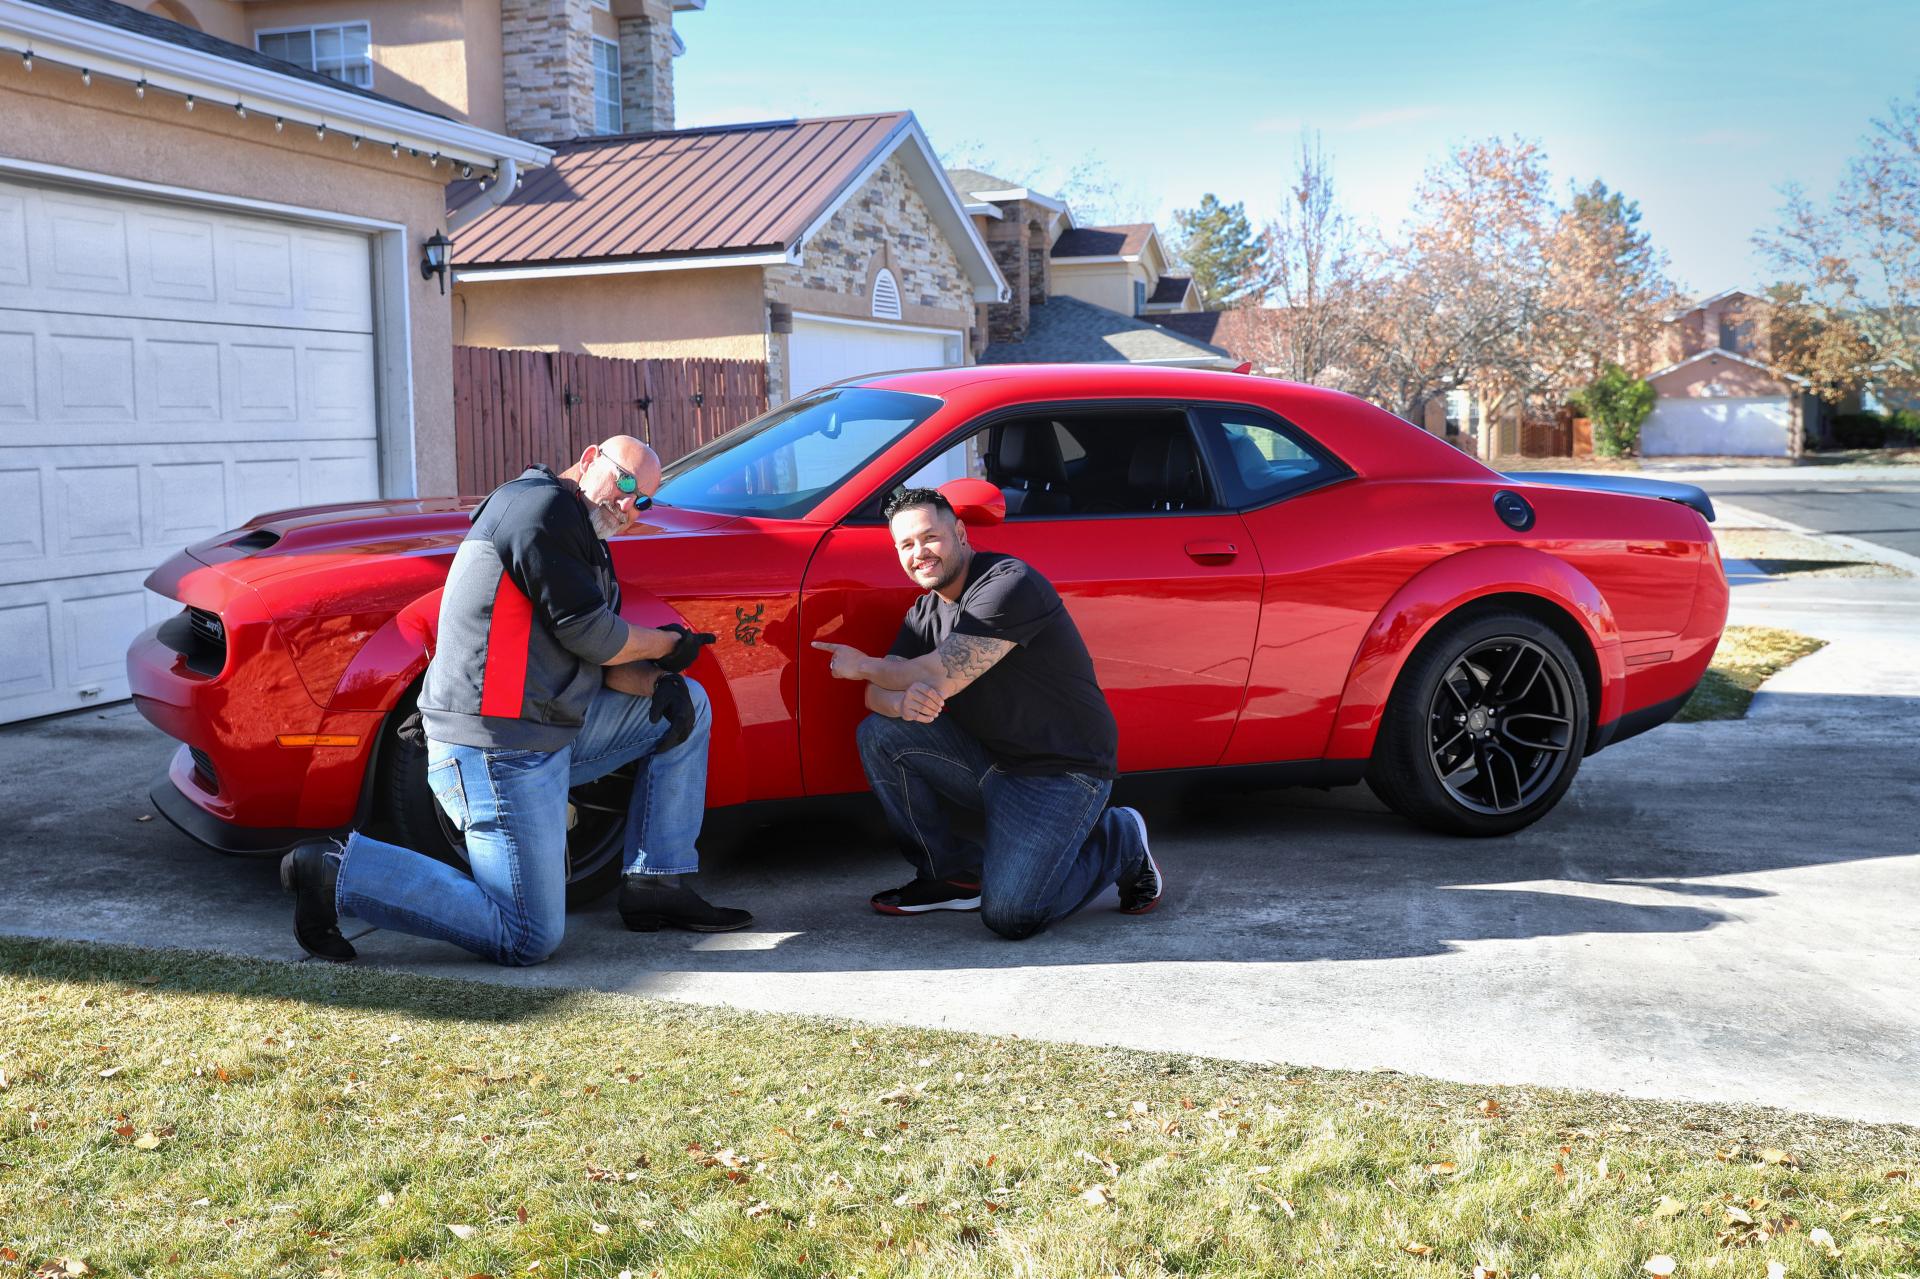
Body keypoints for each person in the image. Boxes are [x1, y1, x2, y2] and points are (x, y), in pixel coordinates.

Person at [280, 436, 752, 965]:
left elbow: (596, 661)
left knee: (685, 702)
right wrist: (669, 644)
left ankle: (656, 885)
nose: (625, 507)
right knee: (527, 935)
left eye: (640, 501)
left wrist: (657, 682)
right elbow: (592, 634)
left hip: (543, 732)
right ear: (590, 457)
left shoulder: (582, 537)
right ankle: (334, 869)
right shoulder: (539, 506)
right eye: (623, 483)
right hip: (493, 749)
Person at [811, 486, 1161, 939]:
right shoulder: (925, 611)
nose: (920, 553)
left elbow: (941, 674)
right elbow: (875, 697)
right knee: (881, 733)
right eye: (906, 545)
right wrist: (900, 700)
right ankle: (949, 875)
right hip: (991, 762)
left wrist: (863, 667)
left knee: (1013, 916)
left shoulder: (1008, 584)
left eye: (929, 537)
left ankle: (1121, 838)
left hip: (1060, 772)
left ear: (959, 532)